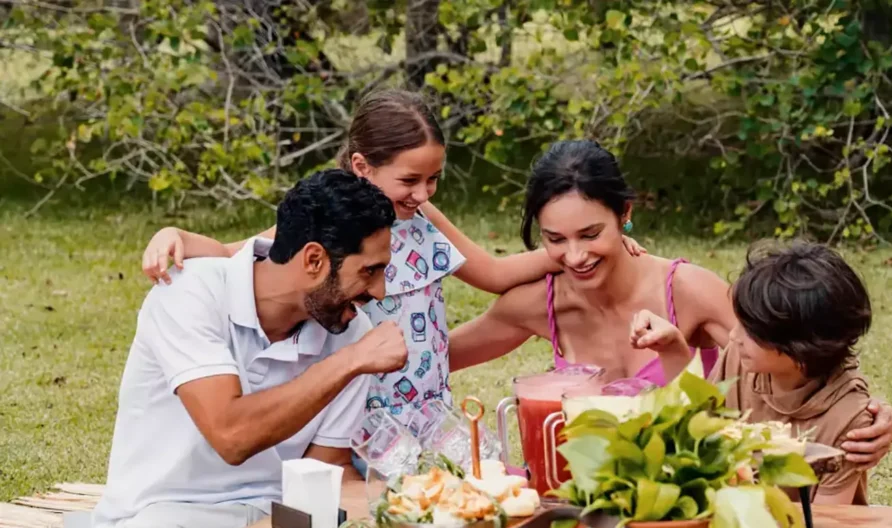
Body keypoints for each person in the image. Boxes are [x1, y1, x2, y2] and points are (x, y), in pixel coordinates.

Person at [140, 90, 645, 462]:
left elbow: (492, 272)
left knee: (473, 493)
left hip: (428, 406)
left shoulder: (423, 221)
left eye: (433, 179)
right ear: (362, 166)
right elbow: (242, 254)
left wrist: (576, 249)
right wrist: (175, 235)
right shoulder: (330, 226)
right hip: (360, 412)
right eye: (409, 180)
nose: (423, 193)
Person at [449, 139, 892, 466]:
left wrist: (872, 411)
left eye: (590, 234)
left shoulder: (686, 290)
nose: (575, 256)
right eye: (555, 240)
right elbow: (434, 359)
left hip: (686, 499)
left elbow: (799, 346)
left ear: (625, 214)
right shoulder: (536, 304)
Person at [92, 169, 408, 528]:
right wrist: (348, 362)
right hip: (165, 512)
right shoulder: (189, 292)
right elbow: (231, 435)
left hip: (277, 516)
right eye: (369, 271)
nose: (381, 291)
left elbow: (320, 470)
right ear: (314, 260)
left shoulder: (351, 332)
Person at [641, 241, 878, 504]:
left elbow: (829, 524)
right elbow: (697, 430)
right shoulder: (740, 359)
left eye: (751, 330)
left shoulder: (849, 420)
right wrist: (673, 350)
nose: (733, 335)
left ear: (800, 348)